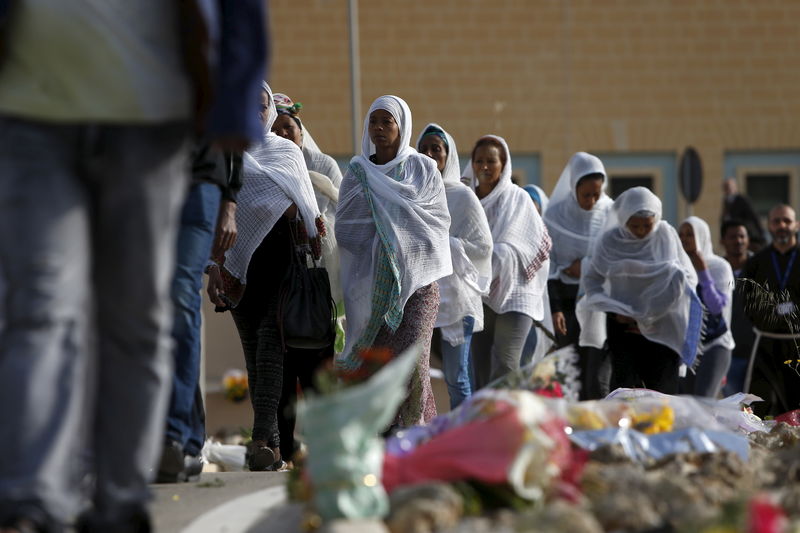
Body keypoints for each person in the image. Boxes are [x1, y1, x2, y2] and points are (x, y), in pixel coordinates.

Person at [0, 1, 266, 530]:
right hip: (32, 112)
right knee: (42, 303)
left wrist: (238, 92)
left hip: (148, 115)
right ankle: (33, 497)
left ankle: (121, 497)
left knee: (140, 311)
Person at [206, 83, 327, 471]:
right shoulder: (224, 154)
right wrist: (213, 268)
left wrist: (301, 219)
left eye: (261, 107)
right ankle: (271, 445)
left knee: (270, 345)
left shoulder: (287, 151)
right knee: (253, 352)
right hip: (238, 265)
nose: (256, 113)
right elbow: (214, 213)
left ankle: (261, 436)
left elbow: (305, 206)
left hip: (282, 263)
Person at [336, 96, 451, 428]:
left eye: (388, 122)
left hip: (418, 286)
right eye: (374, 122)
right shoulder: (358, 172)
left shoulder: (423, 168)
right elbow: (346, 228)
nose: (380, 128)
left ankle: (414, 433)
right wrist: (383, 242)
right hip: (375, 288)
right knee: (383, 367)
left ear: (402, 126)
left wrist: (397, 239)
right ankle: (389, 436)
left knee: (414, 366)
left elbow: (437, 222)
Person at [157, 142, 242, 483]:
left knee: (180, 296)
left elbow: (235, 117)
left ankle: (173, 436)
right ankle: (189, 441)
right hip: (146, 179)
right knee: (153, 310)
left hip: (200, 183)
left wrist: (231, 200)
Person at [269, 91, 339, 464]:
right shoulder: (262, 161)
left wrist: (304, 217)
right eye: (274, 127)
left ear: (301, 132)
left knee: (316, 361)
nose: (282, 134)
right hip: (277, 279)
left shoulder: (323, 165)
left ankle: (325, 443)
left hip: (314, 278)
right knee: (281, 363)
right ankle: (284, 444)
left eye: (289, 128)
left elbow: (330, 211)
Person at [580, 187, 702, 394]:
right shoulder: (610, 241)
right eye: (634, 225)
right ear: (623, 220)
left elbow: (686, 279)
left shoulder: (665, 235)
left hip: (662, 327)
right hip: (623, 326)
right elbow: (592, 281)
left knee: (663, 393)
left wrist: (650, 315)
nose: (641, 231)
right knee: (625, 392)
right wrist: (615, 310)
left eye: (647, 225)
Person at [464, 136, 551, 389]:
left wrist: (498, 255)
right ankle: (482, 422)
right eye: (479, 161)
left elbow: (535, 244)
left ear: (504, 165)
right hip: (476, 292)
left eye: (492, 161)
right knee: (478, 367)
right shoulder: (465, 200)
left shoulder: (519, 199)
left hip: (516, 292)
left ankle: (504, 421)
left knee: (506, 362)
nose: (485, 167)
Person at [417, 123, 493, 409]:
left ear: (448, 155)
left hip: (458, 300)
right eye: (423, 149)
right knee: (417, 375)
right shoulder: (414, 193)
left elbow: (483, 247)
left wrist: (446, 243)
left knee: (456, 377)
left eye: (436, 149)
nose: (429, 154)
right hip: (422, 296)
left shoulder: (463, 196)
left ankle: (466, 439)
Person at [544, 152, 614, 400]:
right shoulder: (555, 215)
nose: (593, 200)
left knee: (595, 377)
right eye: (587, 195)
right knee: (570, 374)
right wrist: (555, 309)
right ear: (574, 187)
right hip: (566, 302)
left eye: (597, 194)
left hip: (597, 303)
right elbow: (548, 264)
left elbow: (614, 255)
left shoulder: (610, 212)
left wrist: (583, 266)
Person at [739, 204, 800, 416]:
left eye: (787, 221)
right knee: (759, 401)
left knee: (796, 401)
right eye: (776, 221)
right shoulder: (757, 262)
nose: (782, 225)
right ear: (769, 226)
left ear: (796, 225)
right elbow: (747, 301)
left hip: (797, 342)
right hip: (766, 342)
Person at [678, 217, 735, 398]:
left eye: (690, 234)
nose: (685, 239)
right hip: (687, 346)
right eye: (682, 235)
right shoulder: (678, 266)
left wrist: (702, 271)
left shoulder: (719, 267)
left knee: (704, 400)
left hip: (716, 344)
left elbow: (716, 307)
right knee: (687, 403)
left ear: (702, 236)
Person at [720, 219, 755, 395]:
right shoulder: (716, 270)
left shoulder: (761, 267)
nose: (738, 241)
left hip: (758, 354)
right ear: (722, 241)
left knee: (763, 414)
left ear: (748, 240)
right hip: (729, 356)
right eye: (732, 237)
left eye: (742, 236)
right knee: (734, 412)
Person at [721, 177, 766, 252]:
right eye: (726, 187)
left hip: (745, 233)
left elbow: (754, 217)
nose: (728, 189)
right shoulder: (726, 201)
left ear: (735, 187)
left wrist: (761, 233)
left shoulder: (742, 199)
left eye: (729, 187)